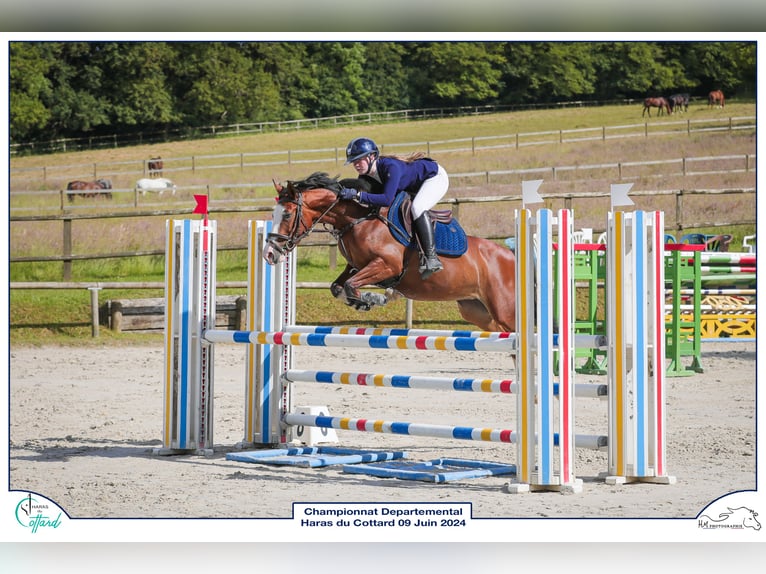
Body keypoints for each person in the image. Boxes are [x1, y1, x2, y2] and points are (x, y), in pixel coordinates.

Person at [340, 137, 449, 279]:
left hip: (434, 178)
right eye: (353, 161)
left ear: (372, 156)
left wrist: (357, 195)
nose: (356, 164)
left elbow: (386, 199)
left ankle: (431, 257)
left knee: (417, 208)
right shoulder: (365, 176)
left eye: (359, 159)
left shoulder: (391, 167)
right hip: (412, 186)